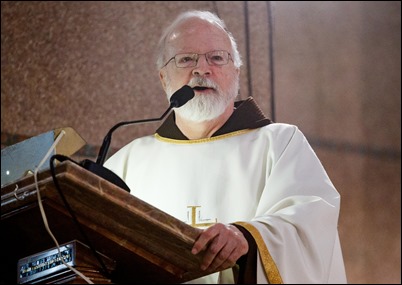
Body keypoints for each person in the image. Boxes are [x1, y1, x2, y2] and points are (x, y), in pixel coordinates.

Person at [104, 10, 347, 284]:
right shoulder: (127, 163)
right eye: (186, 59)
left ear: (236, 72)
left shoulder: (279, 144)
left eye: (217, 58)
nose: (202, 69)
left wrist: (247, 237)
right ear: (163, 78)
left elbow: (310, 221)